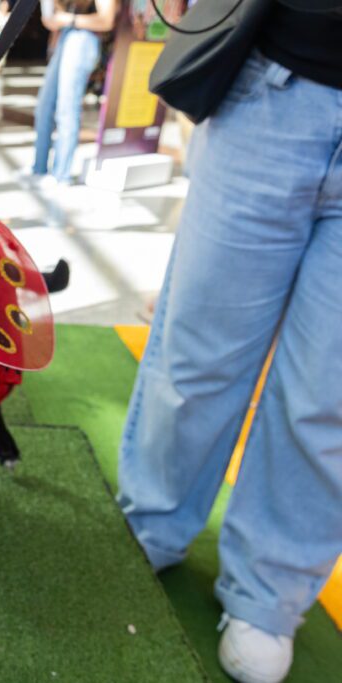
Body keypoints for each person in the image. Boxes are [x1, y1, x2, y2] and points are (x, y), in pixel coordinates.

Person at [116, 3, 342, 682]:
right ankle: (151, 524)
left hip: (286, 80)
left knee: (327, 390)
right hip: (276, 82)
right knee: (199, 352)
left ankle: (267, 595)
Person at [28, 0, 116, 187]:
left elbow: (106, 20)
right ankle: (39, 168)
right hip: (66, 36)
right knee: (44, 107)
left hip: (83, 38)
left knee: (66, 109)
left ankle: (61, 175)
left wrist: (68, 19)